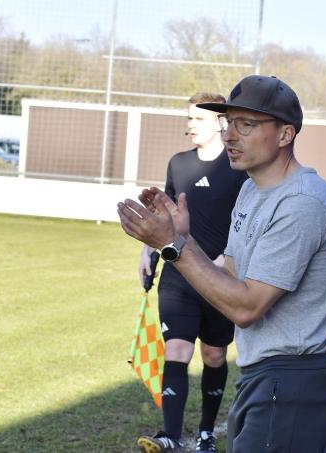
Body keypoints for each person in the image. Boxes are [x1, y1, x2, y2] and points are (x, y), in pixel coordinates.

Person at [118, 75, 326, 453]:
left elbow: (246, 306)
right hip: (262, 376)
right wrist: (184, 239)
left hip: (291, 381)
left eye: (247, 124)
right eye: (228, 123)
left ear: (285, 135)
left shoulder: (302, 202)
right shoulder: (252, 189)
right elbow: (230, 279)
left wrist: (173, 246)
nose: (229, 136)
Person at [135, 92, 248, 453]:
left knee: (214, 356)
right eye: (189, 119)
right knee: (178, 350)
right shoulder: (178, 164)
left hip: (219, 280)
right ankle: (169, 436)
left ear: (220, 122)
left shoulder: (239, 169)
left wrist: (227, 262)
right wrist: (147, 251)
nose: (190, 126)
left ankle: (205, 433)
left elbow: (248, 224)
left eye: (198, 119)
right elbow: (165, 213)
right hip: (177, 276)